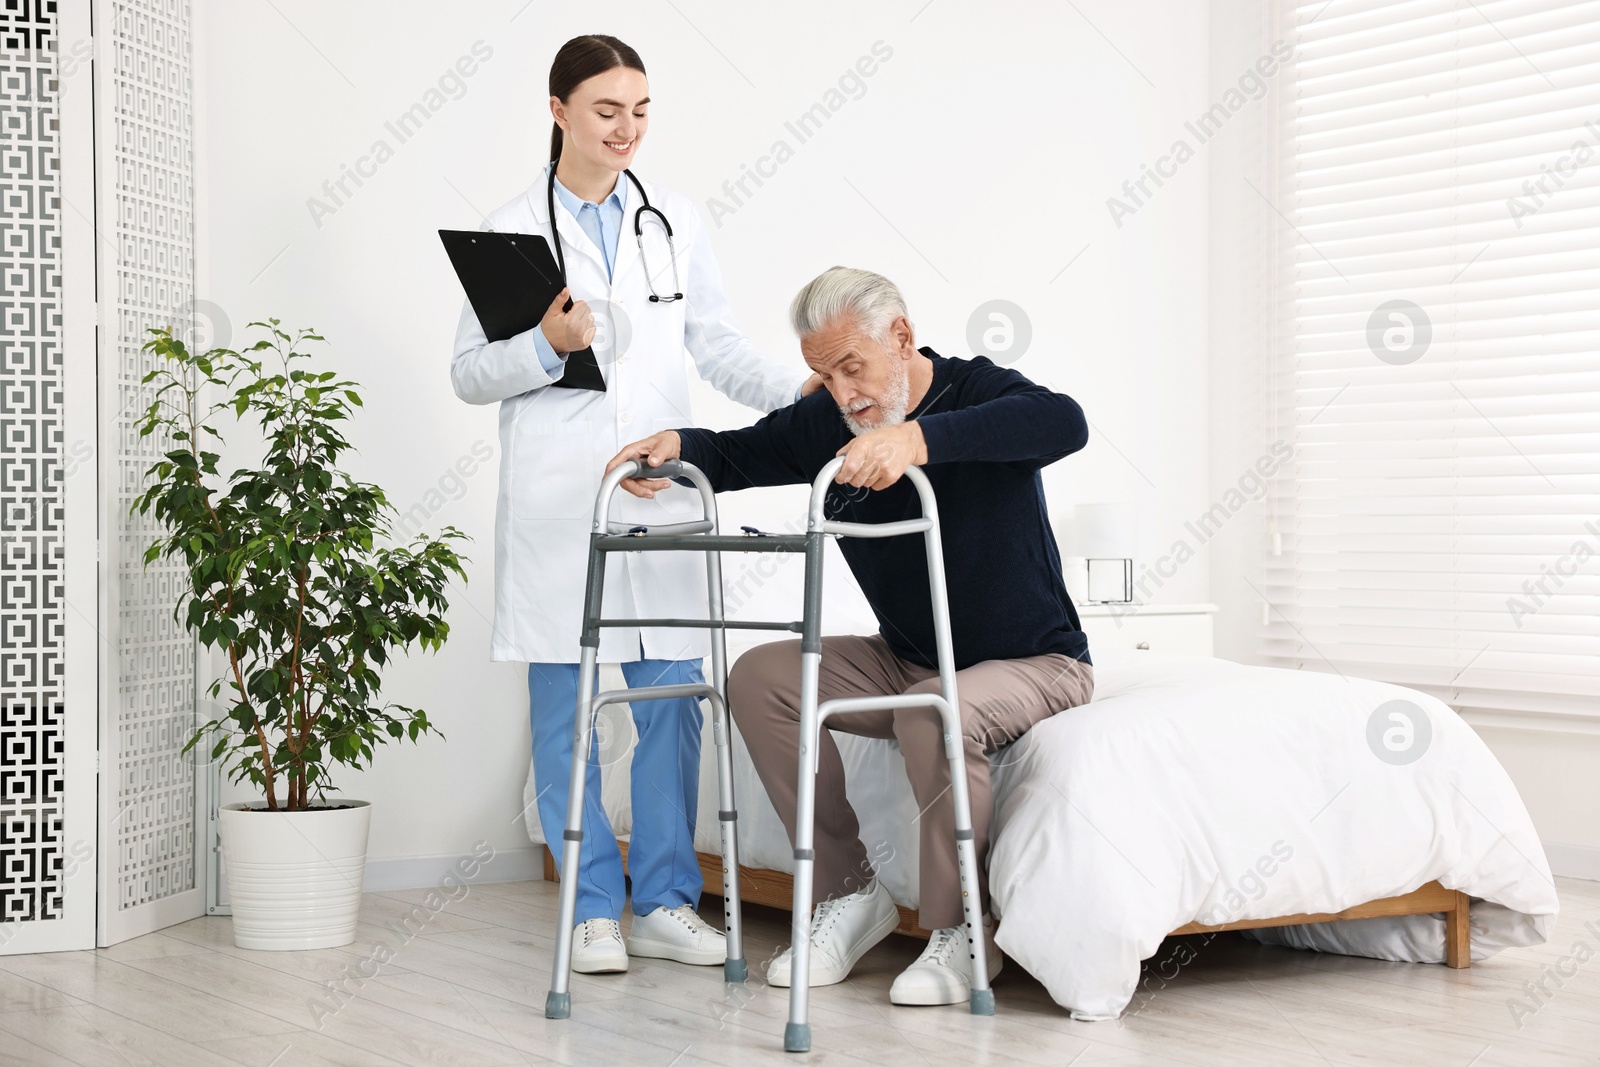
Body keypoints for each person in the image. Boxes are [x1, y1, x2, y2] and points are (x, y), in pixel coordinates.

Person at [604, 265, 1096, 1007]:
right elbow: (743, 452)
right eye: (822, 374)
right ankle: (847, 890)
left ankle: (961, 930)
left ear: (900, 336)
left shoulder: (980, 392)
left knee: (936, 706)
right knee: (761, 677)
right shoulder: (831, 422)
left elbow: (1065, 421)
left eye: (851, 367)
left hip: (1036, 660)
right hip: (906, 657)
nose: (841, 392)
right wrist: (677, 445)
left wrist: (916, 440)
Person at [450, 34, 821, 975]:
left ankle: (664, 898)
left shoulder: (675, 222)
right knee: (567, 713)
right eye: (608, 109)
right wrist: (541, 342)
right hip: (559, 510)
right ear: (559, 110)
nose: (628, 129)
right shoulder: (509, 231)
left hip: (661, 499)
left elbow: (718, 346)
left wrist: (805, 391)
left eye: (642, 110)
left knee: (673, 706)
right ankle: (592, 909)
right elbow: (468, 375)